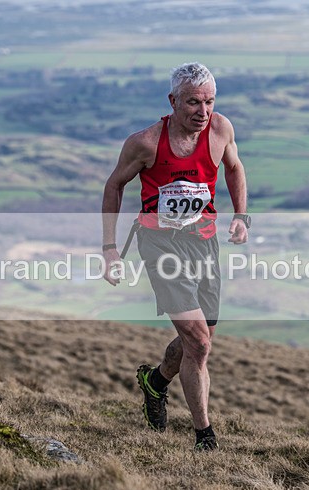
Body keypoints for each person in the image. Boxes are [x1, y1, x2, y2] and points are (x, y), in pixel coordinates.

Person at [101, 62, 249, 451]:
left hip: (203, 245)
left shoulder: (220, 129)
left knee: (196, 341)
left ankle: (155, 382)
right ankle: (204, 436)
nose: (202, 112)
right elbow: (114, 185)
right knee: (199, 343)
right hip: (160, 246)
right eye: (193, 103)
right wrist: (110, 248)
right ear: (173, 101)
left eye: (209, 102)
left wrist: (240, 216)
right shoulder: (146, 142)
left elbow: (234, 167)